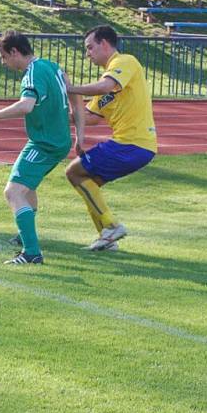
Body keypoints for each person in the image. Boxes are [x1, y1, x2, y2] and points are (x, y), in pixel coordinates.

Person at [0, 31, 84, 265]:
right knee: (27, 188)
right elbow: (74, 95)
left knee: (12, 192)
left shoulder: (31, 75)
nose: (4, 63)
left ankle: (32, 252)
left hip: (45, 143)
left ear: (15, 52)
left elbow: (26, 106)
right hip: (58, 140)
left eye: (4, 57)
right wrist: (80, 134)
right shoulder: (52, 66)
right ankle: (25, 235)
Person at [65, 26, 158, 252]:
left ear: (105, 44)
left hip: (131, 143)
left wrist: (71, 87)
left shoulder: (125, 62)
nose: (88, 53)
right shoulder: (107, 81)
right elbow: (89, 117)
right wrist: (48, 113)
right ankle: (107, 239)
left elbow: (107, 85)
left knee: (73, 172)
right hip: (133, 146)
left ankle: (111, 226)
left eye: (90, 47)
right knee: (88, 184)